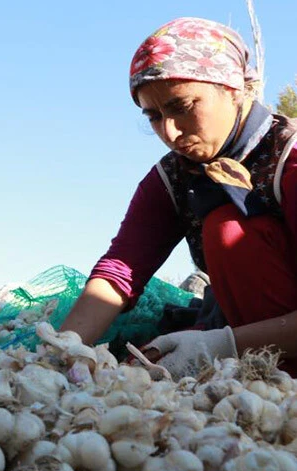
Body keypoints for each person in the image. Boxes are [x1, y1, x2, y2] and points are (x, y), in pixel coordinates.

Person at [60, 17, 297, 376]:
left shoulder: (288, 157)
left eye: (182, 107)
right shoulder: (173, 177)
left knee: (228, 231)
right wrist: (64, 348)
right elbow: (120, 270)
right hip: (249, 325)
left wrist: (223, 345)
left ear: (232, 89)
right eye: (153, 116)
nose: (169, 131)